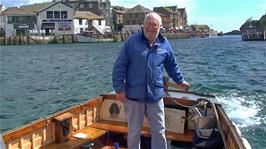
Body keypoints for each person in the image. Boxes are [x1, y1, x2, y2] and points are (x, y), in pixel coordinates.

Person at [112, 12, 190, 149]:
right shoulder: (131, 43)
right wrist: (119, 89)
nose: (151, 27)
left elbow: (172, 65)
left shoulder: (165, 44)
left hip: (155, 97)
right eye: (148, 24)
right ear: (143, 25)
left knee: (159, 132)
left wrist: (179, 80)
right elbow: (119, 67)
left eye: (155, 25)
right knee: (134, 133)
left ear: (160, 27)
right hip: (134, 97)